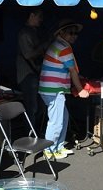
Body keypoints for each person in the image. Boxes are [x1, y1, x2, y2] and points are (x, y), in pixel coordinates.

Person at [38, 19, 89, 159]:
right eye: (70, 33)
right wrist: (80, 90)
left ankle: (58, 147)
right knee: (56, 120)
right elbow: (72, 70)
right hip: (54, 90)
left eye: (76, 33)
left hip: (51, 88)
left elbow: (68, 69)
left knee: (63, 117)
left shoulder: (58, 45)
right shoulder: (63, 47)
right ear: (61, 33)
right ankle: (49, 149)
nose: (74, 36)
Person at [16, 9, 45, 132]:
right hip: (28, 74)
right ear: (31, 15)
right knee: (32, 107)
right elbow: (28, 54)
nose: (41, 20)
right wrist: (43, 47)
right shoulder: (24, 33)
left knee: (39, 107)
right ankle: (31, 135)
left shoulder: (33, 32)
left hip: (35, 73)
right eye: (39, 16)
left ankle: (34, 132)